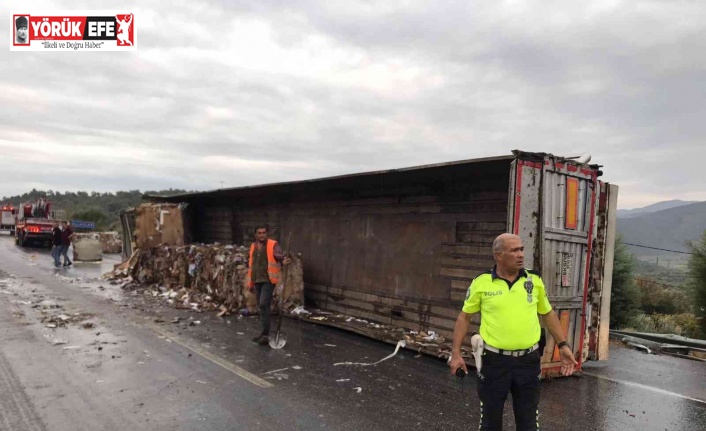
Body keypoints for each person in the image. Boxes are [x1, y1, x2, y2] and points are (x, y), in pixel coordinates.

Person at [449, 233, 577, 431]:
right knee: (490, 423)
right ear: (498, 255)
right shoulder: (481, 282)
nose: (520, 255)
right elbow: (464, 317)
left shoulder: (533, 280)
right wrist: (456, 354)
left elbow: (548, 313)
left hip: (527, 362)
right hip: (494, 362)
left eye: (522, 249)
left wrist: (563, 345)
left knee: (528, 424)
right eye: (514, 250)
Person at [246, 225, 291, 345]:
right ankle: (264, 332)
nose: (262, 235)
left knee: (263, 304)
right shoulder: (253, 246)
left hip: (268, 280)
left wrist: (284, 260)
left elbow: (279, 256)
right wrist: (250, 283)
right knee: (262, 307)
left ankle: (266, 334)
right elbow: (252, 266)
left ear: (267, 233)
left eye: (264, 233)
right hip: (257, 280)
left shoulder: (272, 244)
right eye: (259, 233)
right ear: (255, 234)